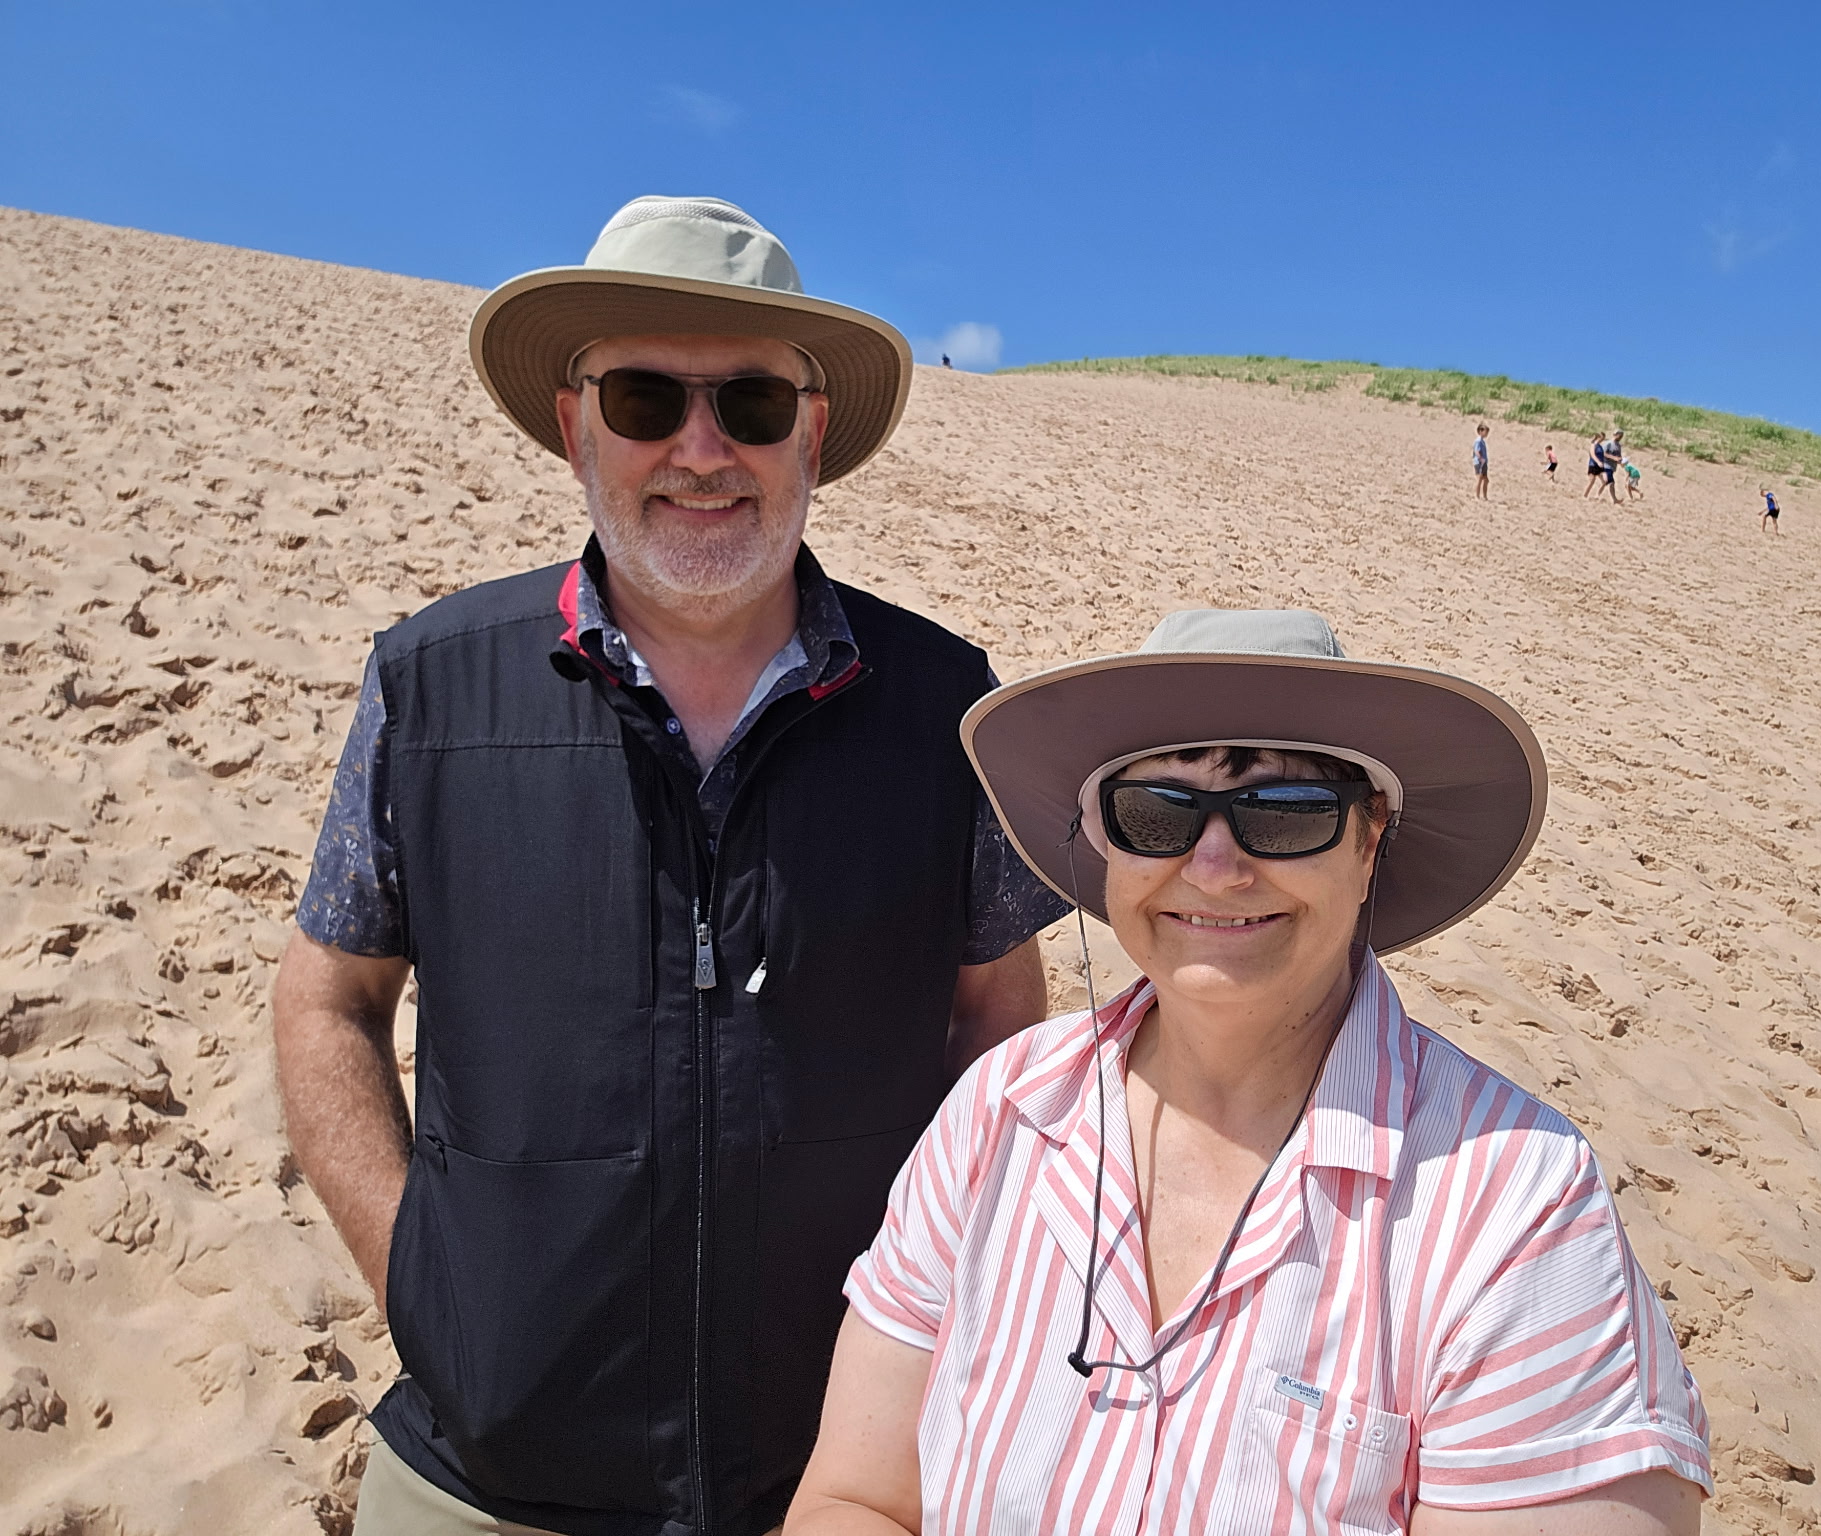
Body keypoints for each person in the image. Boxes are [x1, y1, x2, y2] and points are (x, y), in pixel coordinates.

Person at [272, 196, 1068, 1536]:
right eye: (647, 397)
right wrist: (420, 1278)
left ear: (811, 430)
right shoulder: (432, 681)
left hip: (838, 1479)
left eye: (751, 404)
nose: (703, 450)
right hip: (481, 1476)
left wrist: (937, 1295)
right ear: (577, 422)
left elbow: (996, 1010)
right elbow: (326, 996)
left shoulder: (944, 707)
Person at [788, 610, 1714, 1535]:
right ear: (1103, 839)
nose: (1216, 867)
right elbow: (859, 1498)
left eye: (1286, 812)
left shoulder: (1517, 1208)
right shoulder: (999, 1109)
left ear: (1370, 840)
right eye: (1156, 810)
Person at [1471, 422, 1490, 499]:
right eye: (1485, 431)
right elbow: (1476, 451)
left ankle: (1485, 496)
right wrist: (1481, 459)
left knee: (1486, 480)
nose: (1487, 434)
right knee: (1479, 479)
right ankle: (1477, 496)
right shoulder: (1478, 441)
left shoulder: (1482, 441)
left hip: (1483, 462)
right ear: (1480, 431)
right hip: (1479, 462)